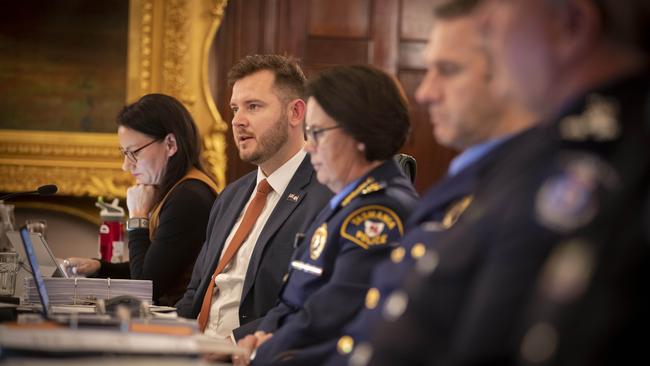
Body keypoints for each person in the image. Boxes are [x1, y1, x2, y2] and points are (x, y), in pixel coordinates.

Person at [365, 0, 650, 365]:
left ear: (571, 24)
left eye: (495, 20)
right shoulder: (541, 156)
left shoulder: (581, 166)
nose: (485, 35)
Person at [326, 4, 536, 364]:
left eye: (448, 70)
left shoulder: (527, 189)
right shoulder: (471, 179)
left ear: (511, 74)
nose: (424, 92)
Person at [233, 65, 419, 365]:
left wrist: (260, 350)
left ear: (360, 133)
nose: (308, 145)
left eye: (317, 132)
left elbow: (332, 317)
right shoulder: (344, 204)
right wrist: (259, 335)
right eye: (308, 132)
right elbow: (291, 300)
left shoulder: (378, 214)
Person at [175, 54, 333, 342]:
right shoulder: (230, 196)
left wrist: (233, 345)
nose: (237, 121)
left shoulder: (327, 195)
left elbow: (312, 302)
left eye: (253, 107)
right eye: (235, 109)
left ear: (296, 113)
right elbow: (195, 290)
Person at [66, 93, 219, 306]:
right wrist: (100, 267)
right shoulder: (179, 190)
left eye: (134, 153)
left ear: (170, 144)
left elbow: (146, 286)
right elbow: (153, 267)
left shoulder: (189, 198)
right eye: (124, 154)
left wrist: (137, 218)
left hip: (182, 329)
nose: (126, 166)